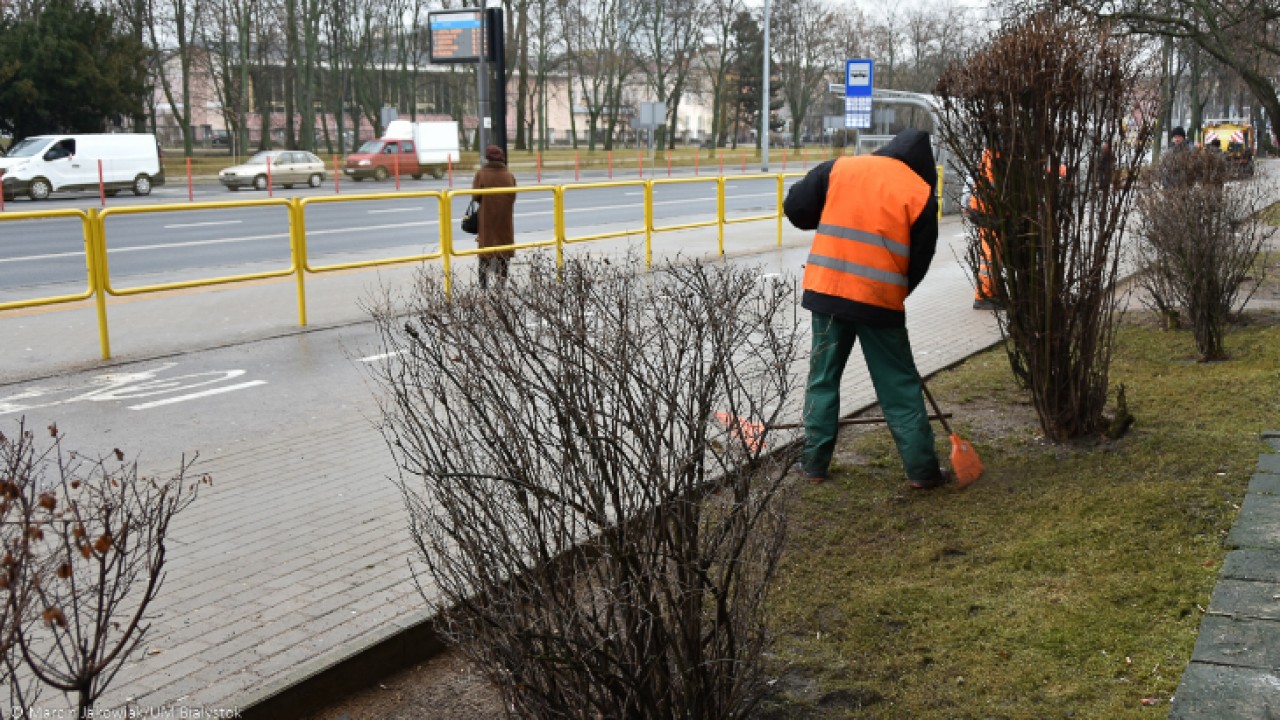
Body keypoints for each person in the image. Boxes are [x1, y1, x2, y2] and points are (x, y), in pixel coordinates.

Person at [783, 128, 949, 490]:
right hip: (879, 301)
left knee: (823, 379)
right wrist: (896, 292)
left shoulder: (841, 169)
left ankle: (813, 464)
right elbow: (921, 257)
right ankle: (922, 472)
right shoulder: (920, 192)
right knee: (899, 385)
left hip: (827, 294)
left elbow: (795, 207)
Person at [472, 144, 517, 289]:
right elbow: (513, 196)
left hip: (487, 218)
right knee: (503, 253)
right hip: (505, 219)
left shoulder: (482, 174)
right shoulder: (509, 175)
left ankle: (483, 286)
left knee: (485, 253)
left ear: (487, 157)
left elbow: (476, 196)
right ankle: (501, 284)